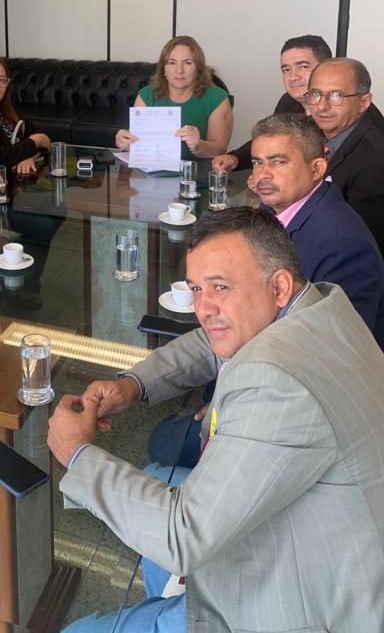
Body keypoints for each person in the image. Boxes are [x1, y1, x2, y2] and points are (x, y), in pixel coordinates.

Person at [48, 208, 384, 633]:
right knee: (155, 474)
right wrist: (133, 384)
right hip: (332, 536)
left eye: (220, 287)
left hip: (300, 601)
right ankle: (167, 600)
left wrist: (76, 453)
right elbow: (209, 342)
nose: (203, 309)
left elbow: (183, 535)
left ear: (279, 286)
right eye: (196, 289)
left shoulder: (278, 382)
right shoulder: (318, 306)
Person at [251, 112, 384, 346]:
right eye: (257, 162)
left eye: (278, 162)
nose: (262, 174)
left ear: (316, 169)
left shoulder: (343, 244)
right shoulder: (274, 203)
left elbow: (335, 344)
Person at [213, 33, 332, 172]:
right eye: (286, 70)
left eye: (303, 67)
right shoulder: (287, 101)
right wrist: (235, 158)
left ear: (326, 68)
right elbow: (270, 140)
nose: (293, 77)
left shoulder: (338, 110)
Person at [304, 57, 384, 253]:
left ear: (363, 103)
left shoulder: (375, 160)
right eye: (315, 94)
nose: (321, 106)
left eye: (336, 95)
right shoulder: (314, 134)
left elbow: (360, 242)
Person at [115, 36, 233, 160]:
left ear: (198, 69)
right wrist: (125, 142)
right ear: (163, 69)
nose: (179, 70)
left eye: (187, 63)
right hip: (152, 168)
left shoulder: (217, 98)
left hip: (197, 169)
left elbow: (220, 149)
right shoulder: (147, 95)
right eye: (172, 63)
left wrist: (199, 146)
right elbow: (136, 140)